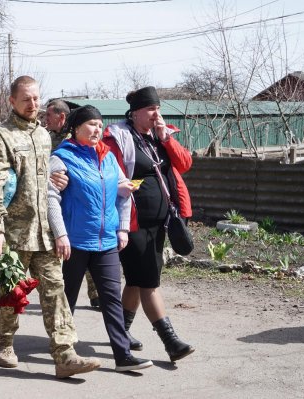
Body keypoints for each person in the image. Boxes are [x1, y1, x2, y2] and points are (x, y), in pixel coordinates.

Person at [0, 75, 101, 378]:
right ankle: (3, 342)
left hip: (43, 229)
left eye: (36, 99)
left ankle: (65, 354)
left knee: (55, 290)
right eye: (26, 99)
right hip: (14, 232)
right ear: (12, 101)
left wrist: (55, 181)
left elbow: (42, 181)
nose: (32, 104)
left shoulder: (45, 136)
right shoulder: (1, 136)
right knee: (12, 291)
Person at [47, 105, 153, 372]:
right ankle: (65, 352)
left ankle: (123, 355)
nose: (97, 129)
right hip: (75, 240)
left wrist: (122, 229)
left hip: (105, 240)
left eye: (99, 124)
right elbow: (51, 198)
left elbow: (124, 192)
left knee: (111, 298)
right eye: (91, 124)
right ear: (76, 127)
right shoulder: (62, 157)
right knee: (67, 297)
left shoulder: (107, 157)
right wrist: (60, 234)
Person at [103, 86, 194, 362]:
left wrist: (166, 138)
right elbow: (111, 173)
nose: (157, 114)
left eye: (158, 109)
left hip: (160, 222)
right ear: (135, 112)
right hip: (132, 222)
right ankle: (171, 341)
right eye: (151, 110)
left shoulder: (159, 136)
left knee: (135, 280)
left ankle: (121, 333)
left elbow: (185, 164)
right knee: (149, 282)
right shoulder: (118, 137)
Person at [46, 99, 101, 310]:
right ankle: (64, 303)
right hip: (56, 200)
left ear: (61, 117)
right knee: (69, 256)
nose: (45, 120)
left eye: (48, 116)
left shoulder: (76, 138)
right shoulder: (48, 138)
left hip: (79, 201)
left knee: (85, 252)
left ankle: (95, 294)